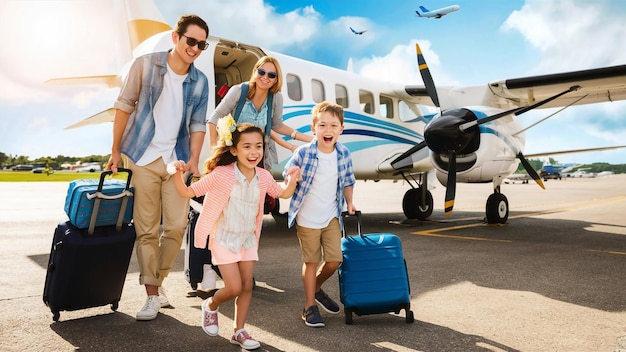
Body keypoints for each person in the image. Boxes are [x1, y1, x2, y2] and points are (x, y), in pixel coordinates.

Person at [104, 14, 210, 321]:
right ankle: (152, 294)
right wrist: (114, 150)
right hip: (142, 156)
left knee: (176, 227)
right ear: (176, 38)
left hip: (176, 161)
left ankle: (157, 279)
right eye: (191, 41)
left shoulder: (199, 81)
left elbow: (198, 124)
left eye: (201, 45)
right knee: (147, 230)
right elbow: (123, 106)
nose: (195, 49)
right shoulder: (145, 65)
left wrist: (193, 160)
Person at [171, 120, 301, 350]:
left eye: (259, 146)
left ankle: (239, 331)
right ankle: (211, 305)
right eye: (247, 146)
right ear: (234, 150)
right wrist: (177, 173)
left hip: (247, 238)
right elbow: (188, 192)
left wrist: (292, 178)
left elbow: (282, 193)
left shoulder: (263, 176)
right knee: (234, 288)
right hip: (223, 238)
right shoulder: (221, 174)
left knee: (247, 287)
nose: (254, 152)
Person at [283, 101, 357, 328]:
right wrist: (293, 177)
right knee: (311, 261)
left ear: (341, 129)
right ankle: (309, 306)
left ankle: (314, 287)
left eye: (334, 125)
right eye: (322, 125)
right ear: (313, 127)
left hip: (331, 215)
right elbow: (288, 173)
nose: (328, 130)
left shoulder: (343, 154)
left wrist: (350, 202)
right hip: (306, 218)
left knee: (335, 260)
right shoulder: (303, 153)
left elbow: (347, 181)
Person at [207, 55, 312, 171]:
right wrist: (214, 149)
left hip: (257, 156)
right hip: (235, 154)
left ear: (276, 79)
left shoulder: (276, 98)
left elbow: (277, 126)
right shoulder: (239, 91)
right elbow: (214, 118)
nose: (265, 77)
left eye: (271, 75)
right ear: (255, 72)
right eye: (261, 72)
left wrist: (312, 140)